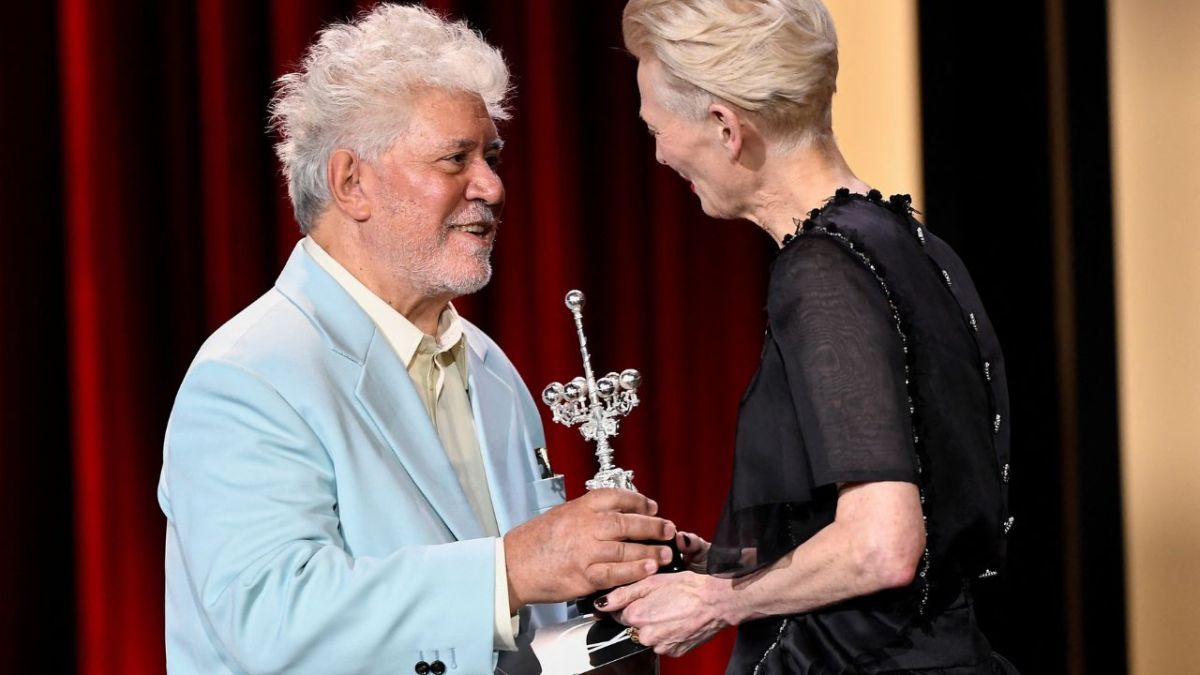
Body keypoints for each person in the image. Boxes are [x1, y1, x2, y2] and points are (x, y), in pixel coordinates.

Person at [157, 5, 676, 674]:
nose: (491, 185)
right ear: (352, 183)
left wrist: (617, 598)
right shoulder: (248, 377)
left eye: (490, 156)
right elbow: (272, 617)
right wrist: (512, 567)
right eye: (455, 158)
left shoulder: (490, 369)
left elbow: (520, 631)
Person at [600, 1, 1018, 672]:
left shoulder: (821, 270)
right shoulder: (915, 246)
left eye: (657, 127)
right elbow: (918, 518)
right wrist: (732, 563)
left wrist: (717, 599)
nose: (659, 153)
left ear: (725, 127)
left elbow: (884, 544)